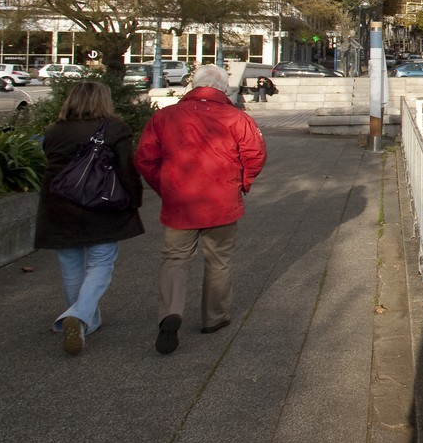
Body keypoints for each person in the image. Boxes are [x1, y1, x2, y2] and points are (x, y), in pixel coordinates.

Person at [135, 63, 267, 355]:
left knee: (175, 259)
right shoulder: (237, 117)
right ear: (223, 88)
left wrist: (165, 187)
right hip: (221, 201)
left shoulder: (164, 117)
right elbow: (255, 155)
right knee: (218, 260)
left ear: (193, 85)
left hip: (180, 202)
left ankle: (171, 311)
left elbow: (145, 158)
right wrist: (241, 183)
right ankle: (214, 317)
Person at [33, 81, 145, 356]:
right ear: (104, 101)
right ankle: (81, 316)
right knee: (101, 265)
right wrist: (133, 200)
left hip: (58, 208)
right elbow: (126, 170)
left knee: (71, 268)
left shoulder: (54, 131)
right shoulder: (116, 129)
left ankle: (87, 322)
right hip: (101, 206)